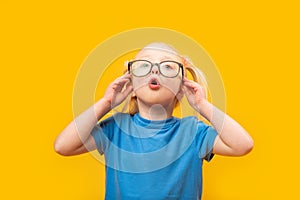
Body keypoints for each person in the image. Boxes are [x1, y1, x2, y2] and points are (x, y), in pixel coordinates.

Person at [54, 42, 254, 200]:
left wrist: (202, 105)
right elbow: (63, 146)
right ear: (130, 83)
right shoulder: (115, 129)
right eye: (144, 65)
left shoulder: (194, 132)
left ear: (181, 86)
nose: (155, 70)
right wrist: (106, 103)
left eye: (167, 66)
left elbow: (243, 145)